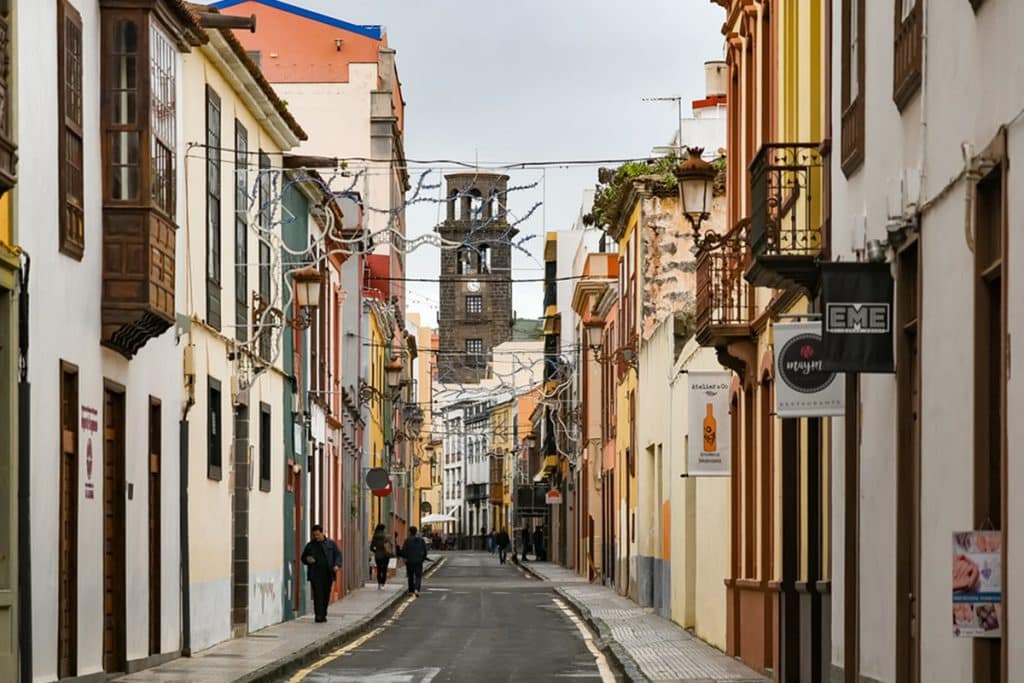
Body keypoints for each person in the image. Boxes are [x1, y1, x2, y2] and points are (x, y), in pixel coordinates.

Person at [302, 525, 342, 623]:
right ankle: (318, 615)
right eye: (314, 535)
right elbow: (303, 557)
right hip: (315, 574)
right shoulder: (310, 545)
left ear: (322, 533)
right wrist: (308, 559)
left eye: (318, 535)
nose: (316, 537)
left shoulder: (331, 544)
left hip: (328, 574)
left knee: (325, 595)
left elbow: (338, 555)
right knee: (317, 595)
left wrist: (337, 565)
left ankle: (323, 613)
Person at [398, 526, 429, 596]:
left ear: (409, 532)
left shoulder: (407, 540)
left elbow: (404, 551)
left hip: (409, 561)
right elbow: (425, 551)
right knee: (418, 576)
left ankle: (411, 590)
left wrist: (404, 558)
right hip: (418, 561)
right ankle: (417, 589)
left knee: (410, 576)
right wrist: (422, 559)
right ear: (416, 532)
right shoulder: (421, 540)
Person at [369, 524, 392, 590]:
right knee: (384, 569)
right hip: (386, 555)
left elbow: (371, 547)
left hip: (378, 556)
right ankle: (383, 584)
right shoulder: (386, 536)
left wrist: (376, 551)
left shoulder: (375, 536)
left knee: (379, 569)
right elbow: (389, 546)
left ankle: (379, 584)